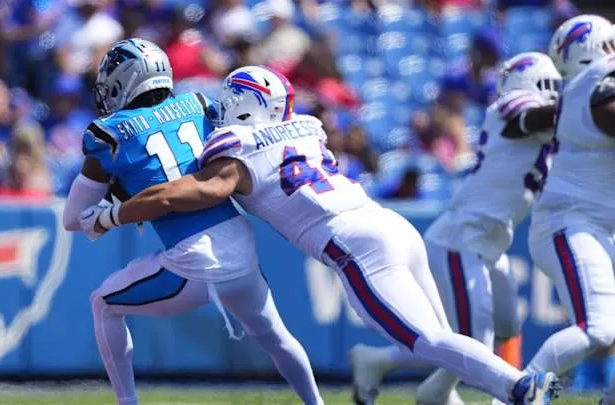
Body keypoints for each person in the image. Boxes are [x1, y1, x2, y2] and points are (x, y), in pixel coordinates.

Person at [89, 65, 561, 405]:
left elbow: (184, 193)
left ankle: (519, 386)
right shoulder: (307, 130)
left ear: (245, 106)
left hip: (355, 246)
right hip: (391, 226)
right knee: (441, 352)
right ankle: (501, 389)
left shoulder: (235, 150)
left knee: (426, 341)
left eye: (231, 99)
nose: (222, 107)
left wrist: (115, 213)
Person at [63, 39, 323, 405]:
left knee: (102, 304)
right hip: (241, 244)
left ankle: (128, 402)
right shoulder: (200, 104)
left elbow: (73, 220)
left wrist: (115, 201)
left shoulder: (108, 133)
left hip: (193, 262)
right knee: (276, 337)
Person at [349, 52, 562, 405]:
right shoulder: (512, 107)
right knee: (472, 341)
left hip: (491, 243)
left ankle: (379, 362)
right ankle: (447, 392)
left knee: (506, 326)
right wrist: (580, 101)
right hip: (461, 241)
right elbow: (531, 115)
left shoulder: (551, 126)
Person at [522, 14, 615, 405]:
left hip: (590, 223)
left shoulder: (580, 86)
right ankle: (519, 392)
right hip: (572, 222)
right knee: (599, 330)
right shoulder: (597, 81)